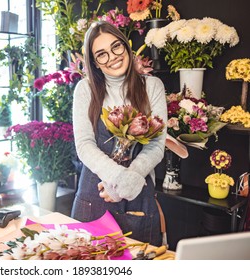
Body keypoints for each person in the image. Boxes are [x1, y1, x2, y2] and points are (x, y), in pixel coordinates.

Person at [71, 21, 167, 246]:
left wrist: (128, 183)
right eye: (101, 54)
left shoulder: (152, 86)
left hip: (138, 196)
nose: (112, 57)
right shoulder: (85, 90)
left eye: (116, 47)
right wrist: (119, 180)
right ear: (95, 62)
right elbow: (84, 145)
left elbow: (156, 146)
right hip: (93, 197)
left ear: (126, 46)